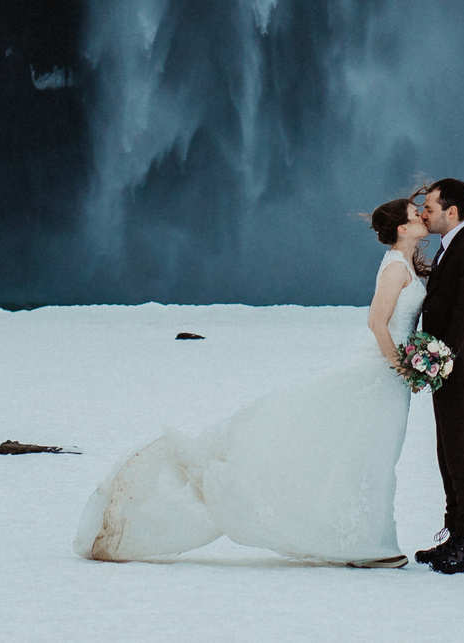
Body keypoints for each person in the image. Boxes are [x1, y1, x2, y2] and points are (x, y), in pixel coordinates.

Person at [73, 197, 431, 566]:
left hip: (390, 377)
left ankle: (368, 540)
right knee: (365, 452)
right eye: (414, 215)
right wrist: (402, 364)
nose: (422, 217)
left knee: (368, 452)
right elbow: (376, 323)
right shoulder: (394, 268)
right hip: (382, 372)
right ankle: (369, 544)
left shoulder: (406, 264)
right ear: (402, 229)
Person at [411, 177, 464, 574]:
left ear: (452, 211)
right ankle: (456, 534)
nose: (424, 214)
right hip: (447, 365)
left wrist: (438, 358)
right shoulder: (450, 249)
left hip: (459, 365)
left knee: (459, 449)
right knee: (447, 450)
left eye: (429, 208)